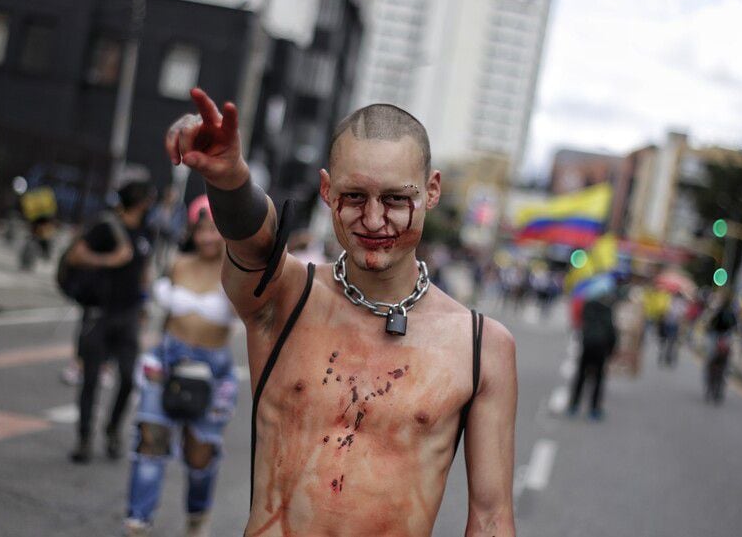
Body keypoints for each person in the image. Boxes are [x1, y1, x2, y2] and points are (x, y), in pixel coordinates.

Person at [164, 88, 517, 536]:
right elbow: (255, 241)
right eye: (353, 197)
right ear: (327, 191)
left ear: (431, 191)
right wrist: (229, 178)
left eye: (394, 199)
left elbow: (490, 518)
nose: (373, 220)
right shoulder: (285, 296)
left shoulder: (482, 348)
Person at [124, 195, 238, 537]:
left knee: (200, 455)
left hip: (213, 371)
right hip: (168, 359)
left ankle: (196, 518)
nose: (208, 238)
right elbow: (162, 317)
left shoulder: (236, 273)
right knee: (150, 440)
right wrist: (151, 357)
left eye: (216, 230)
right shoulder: (177, 263)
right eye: (202, 229)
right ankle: (137, 521)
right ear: (193, 230)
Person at [66, 180, 154, 463]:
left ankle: (113, 429)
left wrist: (145, 301)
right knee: (90, 379)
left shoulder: (146, 231)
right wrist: (110, 260)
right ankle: (84, 440)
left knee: (129, 378)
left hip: (128, 315)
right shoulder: (105, 227)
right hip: (99, 314)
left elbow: (144, 268)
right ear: (140, 201)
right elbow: (75, 255)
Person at [568, 296, 617, 421]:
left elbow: (580, 324)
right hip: (601, 348)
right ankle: (594, 409)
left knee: (581, 376)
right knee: (598, 379)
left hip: (588, 345)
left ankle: (574, 405)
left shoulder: (587, 306)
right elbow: (611, 331)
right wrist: (611, 350)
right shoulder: (607, 309)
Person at [705, 294, 736, 404]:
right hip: (718, 338)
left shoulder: (728, 313)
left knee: (717, 362)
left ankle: (715, 380)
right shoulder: (723, 312)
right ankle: (712, 380)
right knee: (713, 360)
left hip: (721, 338)